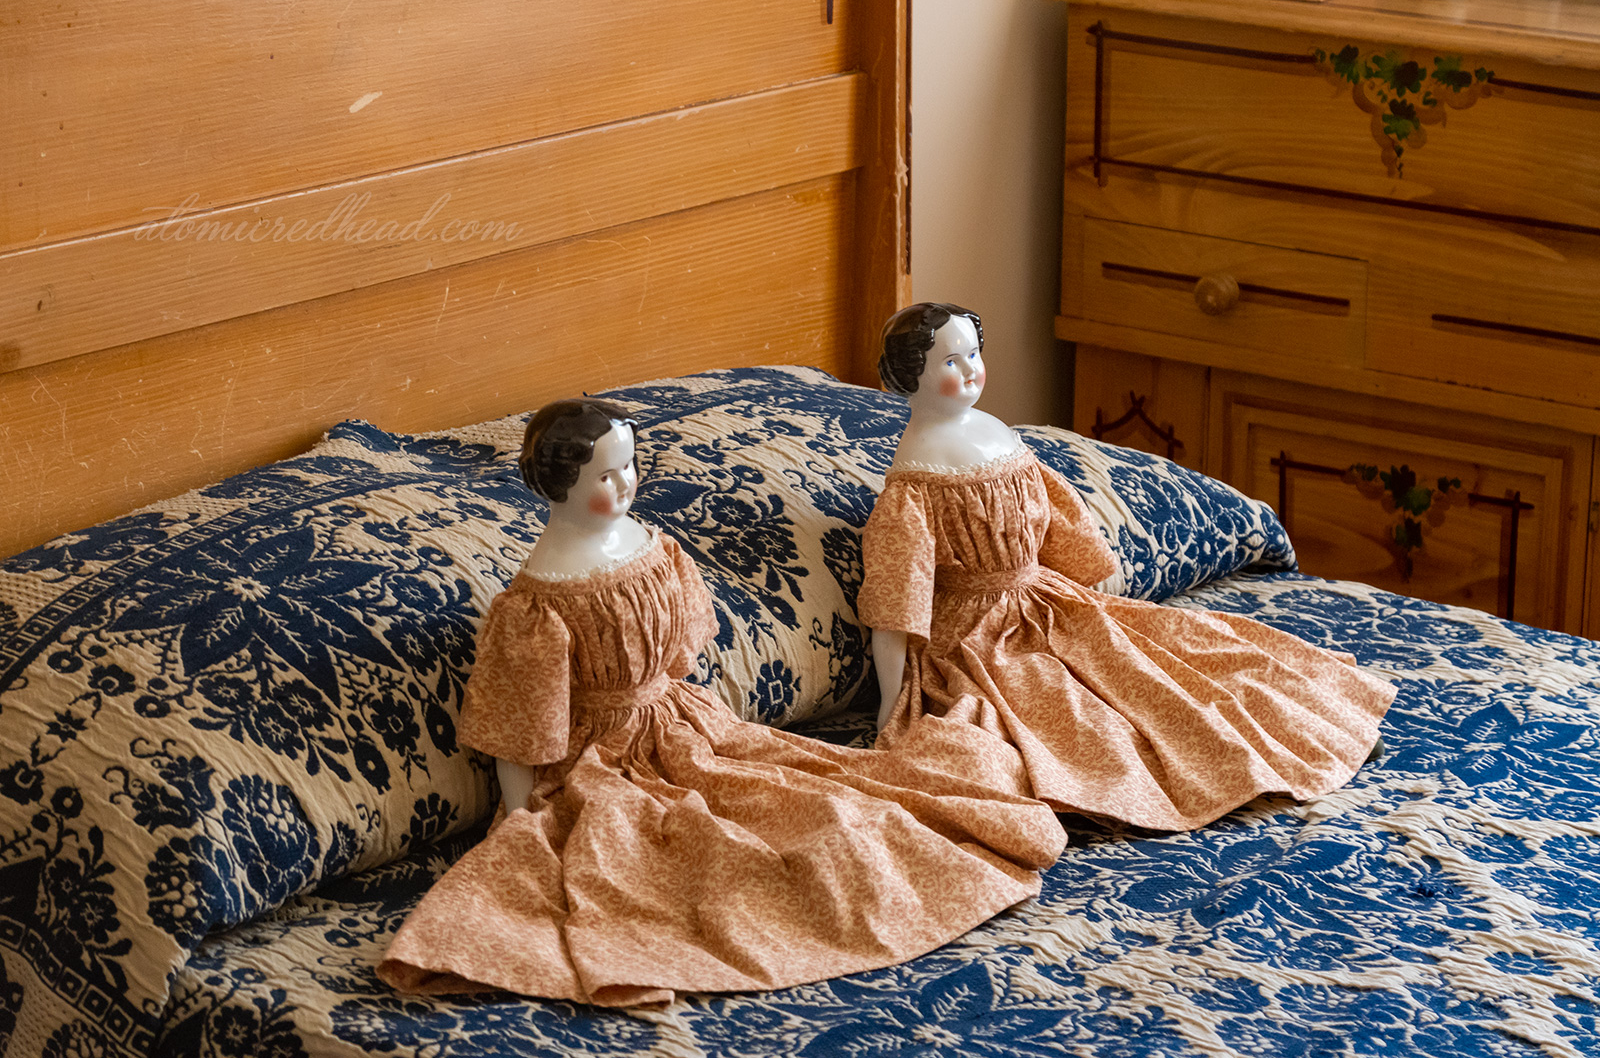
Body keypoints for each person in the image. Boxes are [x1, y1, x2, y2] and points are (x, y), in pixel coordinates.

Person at [378, 398, 1066, 1007]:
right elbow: (522, 728)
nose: (624, 484)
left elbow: (680, 653)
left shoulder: (653, 545)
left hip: (683, 723)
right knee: (701, 864)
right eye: (604, 476)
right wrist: (521, 818)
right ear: (559, 484)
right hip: (600, 761)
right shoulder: (538, 602)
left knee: (829, 802)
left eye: (628, 466)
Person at [859, 303, 1395, 832]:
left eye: (974, 354)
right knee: (1071, 712)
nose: (971, 370)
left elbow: (1055, 520)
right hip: (975, 636)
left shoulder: (995, 431)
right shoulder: (915, 479)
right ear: (912, 375)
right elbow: (897, 600)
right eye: (950, 362)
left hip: (1041, 599)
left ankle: (1285, 734)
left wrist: (1081, 592)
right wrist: (891, 702)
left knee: (1171, 660)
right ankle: (1170, 777)